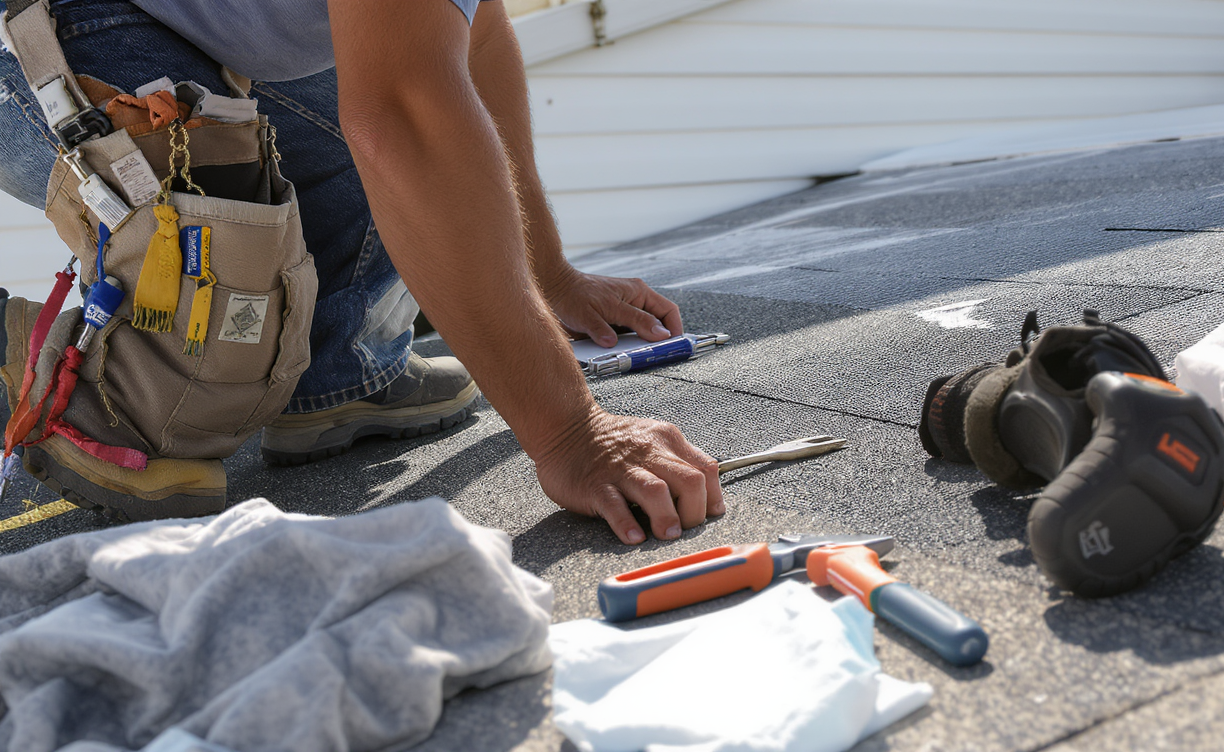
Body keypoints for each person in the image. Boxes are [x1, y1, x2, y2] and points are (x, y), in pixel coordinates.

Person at [0, 0, 723, 544]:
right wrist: (571, 434)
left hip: (141, 17)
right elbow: (403, 119)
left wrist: (550, 274)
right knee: (167, 398)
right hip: (30, 29)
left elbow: (476, 36)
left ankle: (333, 367)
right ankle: (48, 361)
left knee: (403, 76)